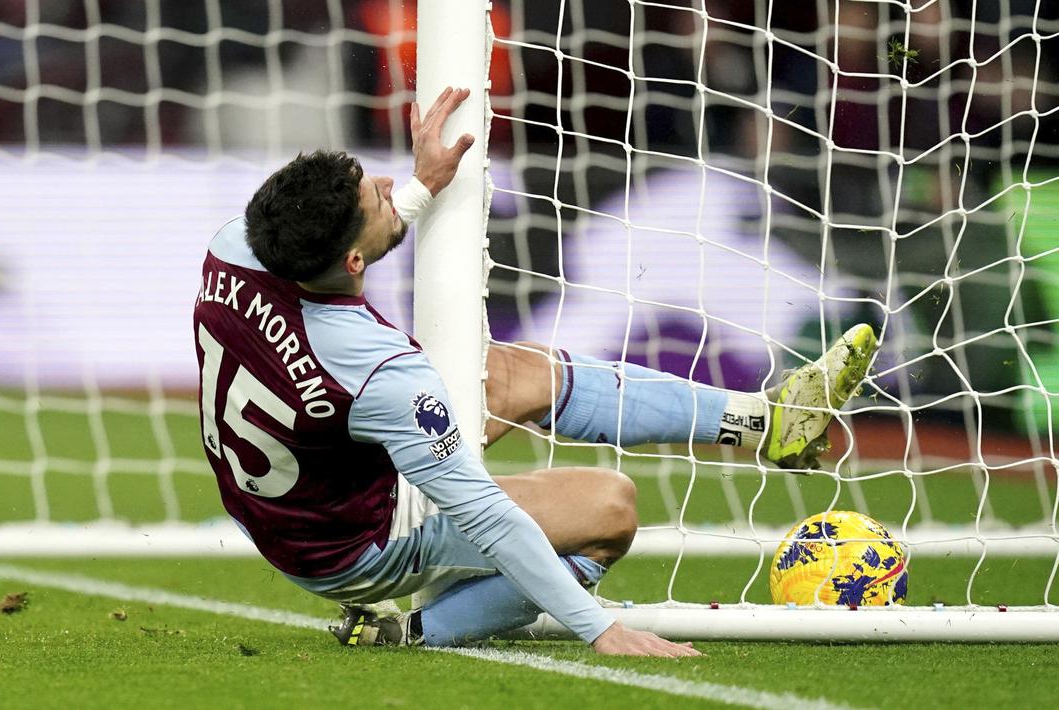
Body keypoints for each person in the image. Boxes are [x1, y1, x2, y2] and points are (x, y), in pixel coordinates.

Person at [193, 87, 878, 656]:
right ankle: (406, 630)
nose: (384, 183)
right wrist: (600, 629)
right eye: (375, 198)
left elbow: (337, 263)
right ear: (351, 264)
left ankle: (769, 423)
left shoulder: (237, 248)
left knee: (516, 374)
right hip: (353, 544)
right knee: (607, 508)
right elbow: (486, 515)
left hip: (287, 495)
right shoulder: (383, 374)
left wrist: (417, 190)